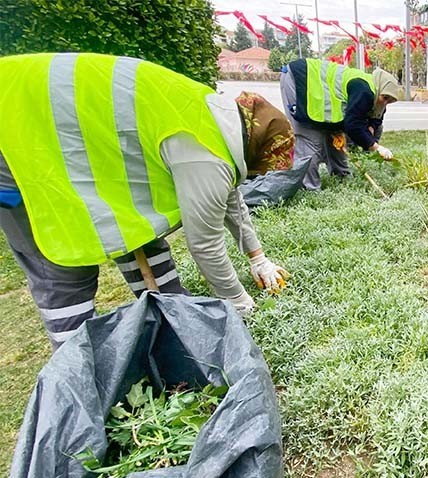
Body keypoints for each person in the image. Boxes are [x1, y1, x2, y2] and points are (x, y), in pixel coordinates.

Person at [0, 53, 293, 349]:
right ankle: (78, 369)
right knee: (63, 263)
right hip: (17, 129)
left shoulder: (218, 123)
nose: (263, 172)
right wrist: (236, 301)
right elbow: (205, 243)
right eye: (268, 164)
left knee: (139, 229)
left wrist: (258, 258)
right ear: (260, 150)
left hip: (59, 125)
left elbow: (232, 200)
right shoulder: (206, 154)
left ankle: (173, 317)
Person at [282, 58, 400, 192]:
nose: (385, 103)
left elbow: (377, 116)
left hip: (322, 96)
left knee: (336, 137)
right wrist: (375, 147)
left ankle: (341, 176)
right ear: (380, 89)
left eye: (390, 101)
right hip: (302, 80)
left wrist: (371, 128)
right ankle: (310, 190)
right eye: (385, 98)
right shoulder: (364, 90)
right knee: (311, 139)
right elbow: (353, 126)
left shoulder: (378, 93)